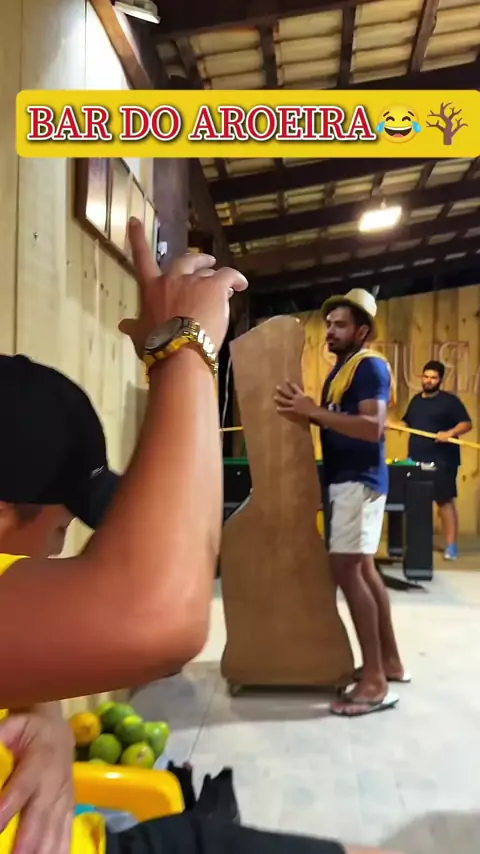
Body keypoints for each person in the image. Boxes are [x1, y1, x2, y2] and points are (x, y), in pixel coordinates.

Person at [0, 222, 397, 854]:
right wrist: (184, 347)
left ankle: (382, 669)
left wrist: (40, 712)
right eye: (57, 527)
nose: (60, 548)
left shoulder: (368, 368)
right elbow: (159, 618)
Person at [275, 289, 407, 718]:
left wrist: (312, 411)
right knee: (363, 568)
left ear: (362, 331)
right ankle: (389, 662)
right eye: (329, 323)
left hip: (357, 481)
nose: (330, 331)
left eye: (341, 325)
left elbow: (372, 427)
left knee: (347, 570)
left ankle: (375, 682)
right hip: (349, 481)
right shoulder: (346, 368)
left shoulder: (369, 366)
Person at [398, 360, 472, 560]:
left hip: (443, 460)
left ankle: (451, 547)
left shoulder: (450, 401)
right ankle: (417, 544)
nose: (429, 381)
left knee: (444, 501)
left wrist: (450, 433)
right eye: (426, 376)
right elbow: (407, 422)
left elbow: (466, 424)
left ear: (440, 380)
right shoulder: (416, 400)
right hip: (416, 459)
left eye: (433, 378)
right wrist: (394, 424)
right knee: (416, 502)